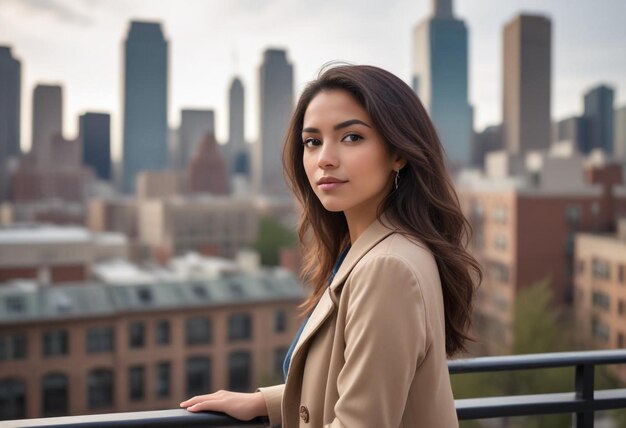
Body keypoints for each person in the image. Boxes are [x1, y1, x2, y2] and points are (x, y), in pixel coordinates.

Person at [180, 64, 482, 427]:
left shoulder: (388, 267)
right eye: (312, 141)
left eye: (351, 137)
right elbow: (364, 381)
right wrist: (267, 401)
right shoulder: (382, 248)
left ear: (398, 153)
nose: (324, 158)